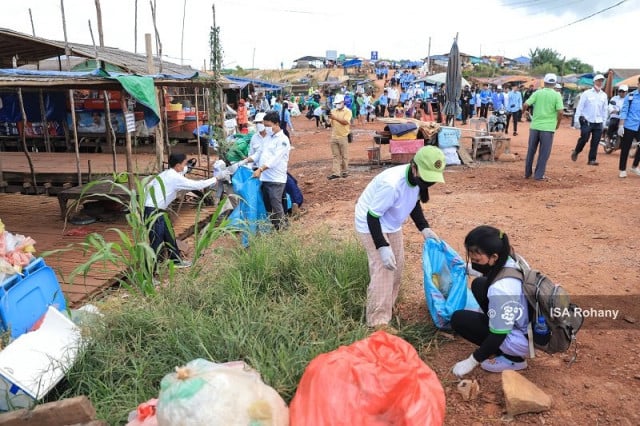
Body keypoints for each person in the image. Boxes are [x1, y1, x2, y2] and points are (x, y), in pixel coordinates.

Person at [355, 146, 445, 333]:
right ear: (414, 167)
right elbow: (372, 216)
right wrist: (382, 246)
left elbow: (413, 203)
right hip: (371, 223)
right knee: (383, 270)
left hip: (391, 223)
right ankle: (377, 322)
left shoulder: (416, 181)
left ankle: (387, 306)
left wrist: (424, 228)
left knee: (397, 267)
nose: (428, 183)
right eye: (426, 177)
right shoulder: (392, 184)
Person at [450, 225, 529, 376]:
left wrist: (472, 360)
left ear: (494, 257)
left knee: (458, 319)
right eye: (471, 258)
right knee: (479, 284)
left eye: (477, 260)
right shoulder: (512, 259)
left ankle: (513, 358)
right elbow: (490, 273)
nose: (474, 262)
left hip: (518, 338)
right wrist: (467, 268)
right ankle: (498, 329)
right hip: (524, 321)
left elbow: (499, 334)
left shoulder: (500, 289)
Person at [144, 153, 228, 267]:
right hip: (153, 211)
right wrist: (216, 178)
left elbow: (147, 187)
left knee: (169, 235)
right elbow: (198, 185)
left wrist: (188, 166)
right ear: (178, 165)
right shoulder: (175, 178)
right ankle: (149, 274)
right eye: (184, 164)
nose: (185, 166)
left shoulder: (166, 174)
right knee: (156, 242)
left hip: (154, 209)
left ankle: (176, 260)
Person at [248, 111, 291, 230]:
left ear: (276, 124)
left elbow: (274, 159)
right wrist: (246, 161)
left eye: (268, 125)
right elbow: (259, 153)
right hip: (265, 178)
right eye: (264, 125)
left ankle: (283, 230)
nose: (266, 128)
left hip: (276, 179)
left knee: (276, 205)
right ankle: (276, 227)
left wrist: (260, 169)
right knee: (268, 206)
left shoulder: (283, 140)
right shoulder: (268, 139)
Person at [522, 73, 564, 180]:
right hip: (548, 128)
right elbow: (560, 112)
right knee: (544, 153)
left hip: (535, 126)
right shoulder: (557, 95)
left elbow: (526, 104)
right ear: (554, 84)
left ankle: (527, 173)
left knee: (531, 150)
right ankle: (538, 175)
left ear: (544, 82)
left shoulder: (538, 93)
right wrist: (557, 124)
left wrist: (524, 113)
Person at [571, 73, 608, 166]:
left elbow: (605, 109)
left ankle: (592, 159)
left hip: (598, 122)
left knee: (595, 141)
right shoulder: (586, 94)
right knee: (584, 138)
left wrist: (604, 121)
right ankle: (577, 151)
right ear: (594, 82)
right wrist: (576, 119)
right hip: (586, 120)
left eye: (601, 81)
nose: (600, 83)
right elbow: (580, 107)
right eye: (598, 81)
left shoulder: (604, 95)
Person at [617, 82, 640, 178]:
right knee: (625, 148)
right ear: (638, 84)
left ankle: (634, 166)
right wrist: (621, 126)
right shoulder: (631, 96)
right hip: (629, 125)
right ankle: (622, 169)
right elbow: (624, 111)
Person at [327, 94, 352, 180]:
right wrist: (327, 118)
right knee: (335, 155)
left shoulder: (347, 111)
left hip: (343, 136)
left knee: (344, 155)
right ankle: (336, 173)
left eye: (339, 103)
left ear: (343, 102)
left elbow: (345, 122)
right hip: (334, 136)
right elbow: (329, 123)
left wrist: (335, 118)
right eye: (336, 103)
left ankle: (345, 171)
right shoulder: (333, 111)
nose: (337, 104)